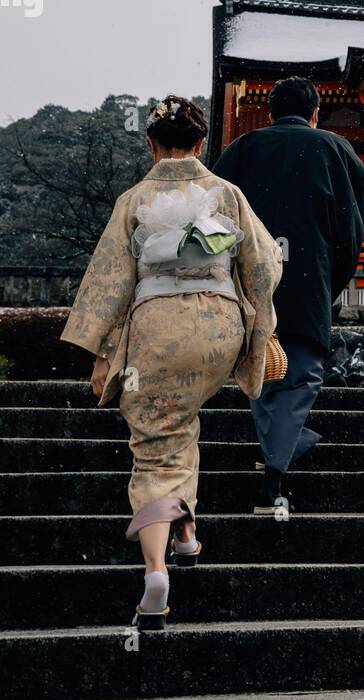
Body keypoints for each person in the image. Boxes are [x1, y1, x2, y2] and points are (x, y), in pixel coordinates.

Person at [62, 96, 283, 628]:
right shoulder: (225, 193)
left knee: (157, 444)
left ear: (151, 143)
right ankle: (186, 534)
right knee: (182, 423)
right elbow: (262, 264)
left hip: (158, 328)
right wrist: (260, 328)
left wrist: (99, 351)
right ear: (202, 143)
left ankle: (155, 571)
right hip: (218, 324)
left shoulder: (134, 198)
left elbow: (109, 282)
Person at [213, 76, 364, 510]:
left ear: (269, 113)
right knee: (300, 372)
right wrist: (333, 274)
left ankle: (282, 448)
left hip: (251, 278)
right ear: (315, 112)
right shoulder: (335, 150)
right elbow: (351, 224)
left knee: (264, 373)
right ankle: (274, 476)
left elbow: (215, 217)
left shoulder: (243, 149)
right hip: (309, 275)